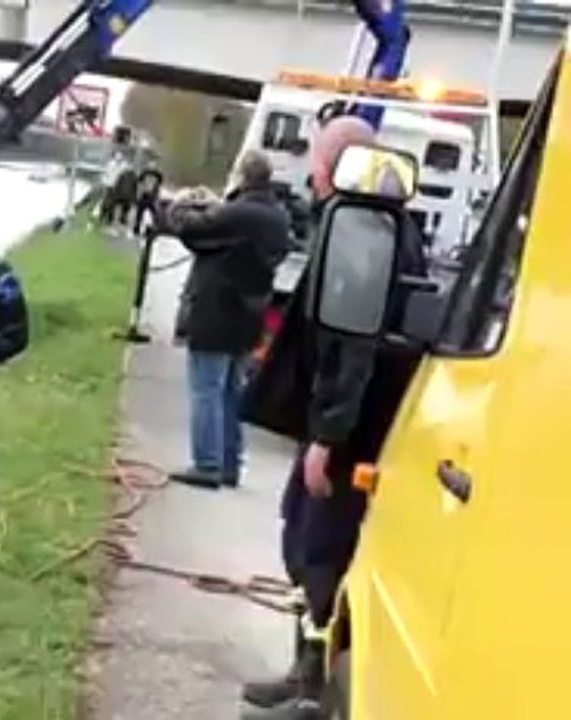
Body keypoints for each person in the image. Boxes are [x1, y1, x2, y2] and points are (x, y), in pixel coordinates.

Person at [239, 115, 430, 720]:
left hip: (349, 436)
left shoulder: (364, 232)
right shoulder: (373, 224)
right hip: (346, 428)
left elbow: (354, 348)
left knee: (319, 547)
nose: (313, 175)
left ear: (333, 165)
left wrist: (327, 438)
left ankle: (313, 687)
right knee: (302, 537)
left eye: (318, 161)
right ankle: (307, 671)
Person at [164, 151, 291, 490]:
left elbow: (191, 229)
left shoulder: (239, 213)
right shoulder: (278, 217)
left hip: (216, 310)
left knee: (206, 389)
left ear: (242, 176)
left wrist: (180, 206)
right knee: (231, 393)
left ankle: (206, 464)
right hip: (249, 315)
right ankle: (229, 464)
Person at [133, 166, 165, 237]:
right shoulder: (155, 175)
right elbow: (140, 182)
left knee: (143, 213)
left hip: (149, 196)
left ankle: (139, 228)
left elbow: (140, 182)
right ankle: (143, 228)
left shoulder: (148, 174)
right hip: (149, 196)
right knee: (147, 213)